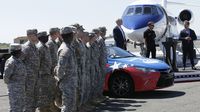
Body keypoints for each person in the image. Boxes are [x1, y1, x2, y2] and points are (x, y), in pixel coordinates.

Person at [36, 31, 60, 112]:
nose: (47, 37)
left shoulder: (45, 46)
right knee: (43, 96)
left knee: (48, 94)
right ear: (41, 38)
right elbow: (37, 63)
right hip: (42, 76)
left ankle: (49, 109)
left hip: (48, 75)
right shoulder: (40, 47)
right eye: (45, 36)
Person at [55, 27, 78, 112]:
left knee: (71, 106)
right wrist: (61, 81)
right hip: (67, 84)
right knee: (67, 107)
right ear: (71, 35)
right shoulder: (65, 50)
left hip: (71, 82)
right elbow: (60, 69)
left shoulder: (69, 47)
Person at [4, 44, 27, 112]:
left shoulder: (19, 60)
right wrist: (13, 85)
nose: (20, 53)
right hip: (14, 90)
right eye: (19, 51)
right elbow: (6, 77)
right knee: (15, 108)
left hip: (21, 88)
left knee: (21, 107)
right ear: (15, 52)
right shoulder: (11, 62)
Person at [22, 29, 40, 112]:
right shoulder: (25, 48)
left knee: (34, 100)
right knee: (28, 101)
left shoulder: (35, 47)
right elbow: (20, 63)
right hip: (28, 79)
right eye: (35, 35)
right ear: (29, 36)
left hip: (35, 78)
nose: (37, 36)